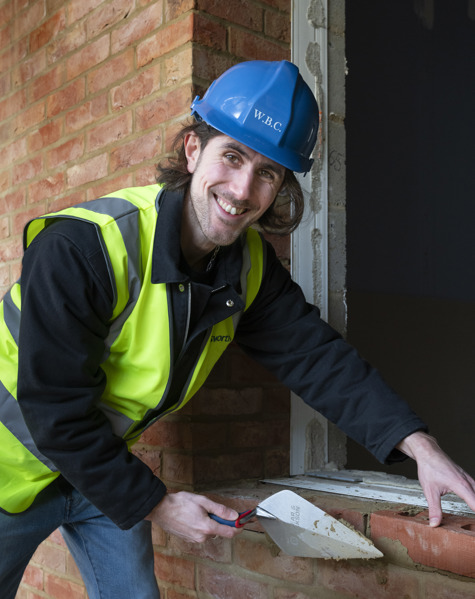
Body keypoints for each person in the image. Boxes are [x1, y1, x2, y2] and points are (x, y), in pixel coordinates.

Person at [0, 59, 474, 598]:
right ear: (192, 150)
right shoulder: (83, 248)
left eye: (268, 172)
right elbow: (52, 406)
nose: (242, 189)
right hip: (7, 468)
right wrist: (157, 503)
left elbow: (319, 359)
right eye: (231, 156)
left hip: (95, 472)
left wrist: (421, 448)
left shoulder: (248, 266)